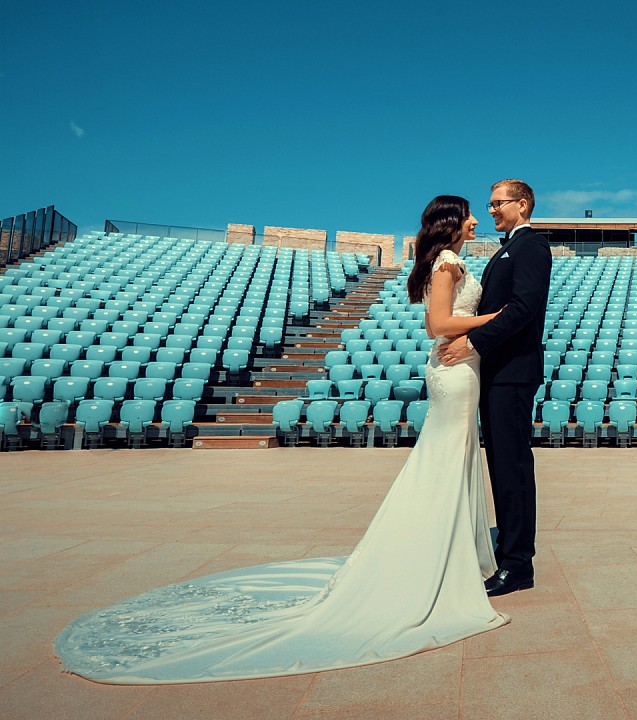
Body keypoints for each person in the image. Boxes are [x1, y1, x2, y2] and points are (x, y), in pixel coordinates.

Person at [53, 195, 509, 684]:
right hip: (455, 370)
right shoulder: (446, 263)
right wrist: (493, 319)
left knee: (452, 460)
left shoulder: (447, 262)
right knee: (443, 461)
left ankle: (453, 550)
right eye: (469, 213)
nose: (477, 219)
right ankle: (436, 554)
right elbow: (438, 325)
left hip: (461, 369)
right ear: (452, 221)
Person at [438, 179, 551, 597]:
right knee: (500, 466)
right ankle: (508, 552)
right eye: (488, 205)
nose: (491, 211)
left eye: (497, 204)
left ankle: (519, 563)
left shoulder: (531, 246)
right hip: (496, 371)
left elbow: (524, 307)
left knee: (512, 467)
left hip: (513, 371)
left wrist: (474, 341)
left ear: (522, 205)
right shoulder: (505, 249)